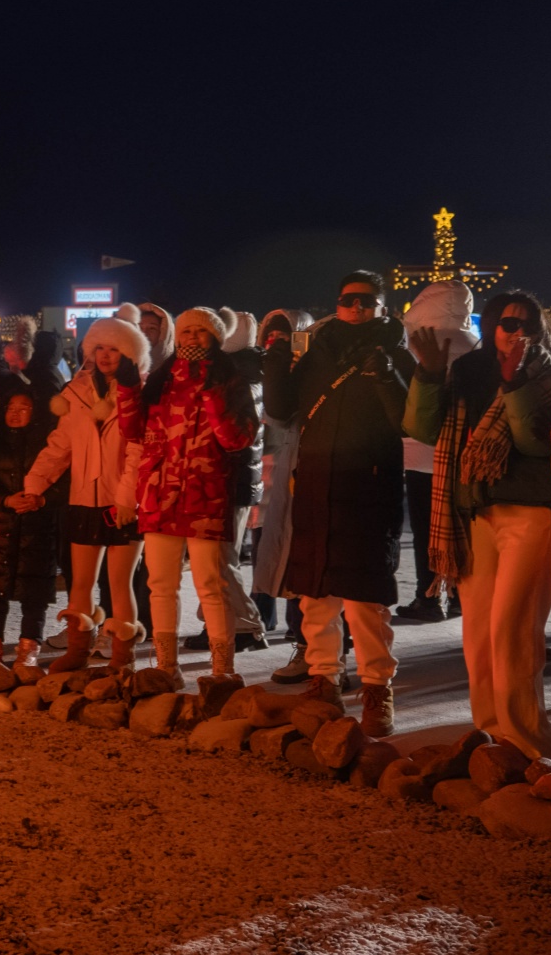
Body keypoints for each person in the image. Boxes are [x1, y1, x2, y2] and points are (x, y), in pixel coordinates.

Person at [406, 290, 551, 758]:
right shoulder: (467, 371)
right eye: (506, 322)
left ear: (540, 330)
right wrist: (426, 374)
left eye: (525, 324)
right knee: (478, 634)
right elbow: (424, 430)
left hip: (532, 510)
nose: (515, 330)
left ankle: (527, 746)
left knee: (515, 631)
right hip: (475, 511)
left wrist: (516, 382)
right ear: (490, 326)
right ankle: (490, 737)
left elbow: (540, 444)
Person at [262, 270, 414, 735]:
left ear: (382, 306)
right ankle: (324, 678)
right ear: (338, 302)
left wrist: (387, 376)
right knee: (316, 593)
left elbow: (407, 421)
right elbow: (282, 410)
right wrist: (275, 359)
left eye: (368, 301)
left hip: (368, 486)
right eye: (350, 299)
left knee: (365, 599)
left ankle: (375, 688)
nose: (358, 308)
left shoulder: (396, 353)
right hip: (317, 481)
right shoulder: (318, 351)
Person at [16, 304, 148, 671]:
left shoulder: (137, 395)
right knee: (80, 582)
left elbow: (141, 450)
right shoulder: (76, 393)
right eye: (99, 348)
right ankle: (76, 653)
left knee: (120, 584)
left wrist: (127, 496)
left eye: (114, 348)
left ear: (129, 351)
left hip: (123, 503)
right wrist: (37, 483)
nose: (105, 356)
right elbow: (61, 445)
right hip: (83, 499)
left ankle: (121, 660)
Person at [133, 307, 259, 685]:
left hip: (205, 495)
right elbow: (135, 432)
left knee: (211, 582)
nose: (191, 338)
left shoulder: (232, 380)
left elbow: (238, 439)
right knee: (160, 583)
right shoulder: (159, 380)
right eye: (186, 331)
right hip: (161, 495)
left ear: (216, 340)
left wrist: (211, 391)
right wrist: (125, 390)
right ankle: (165, 666)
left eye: (200, 333)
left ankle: (223, 669)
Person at [397, 280, 476, 623]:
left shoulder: (418, 343)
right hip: (459, 456)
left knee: (425, 532)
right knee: (458, 529)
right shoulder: (474, 347)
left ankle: (427, 597)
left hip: (420, 452)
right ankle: (460, 594)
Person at [0, 381, 63, 665]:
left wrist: (42, 501)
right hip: (0, 524)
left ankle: (29, 648)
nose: (15, 413)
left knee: (35, 589)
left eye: (23, 408)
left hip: (38, 527)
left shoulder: (49, 444)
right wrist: (4, 501)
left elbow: (63, 482)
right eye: (10, 408)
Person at [253, 308, 313, 675]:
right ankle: (263, 616)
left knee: (297, 560)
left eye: (284, 334)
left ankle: (302, 638)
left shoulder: (304, 371)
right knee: (267, 554)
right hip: (262, 477)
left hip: (293, 473)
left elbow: (281, 416)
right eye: (269, 334)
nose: (274, 341)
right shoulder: (258, 368)